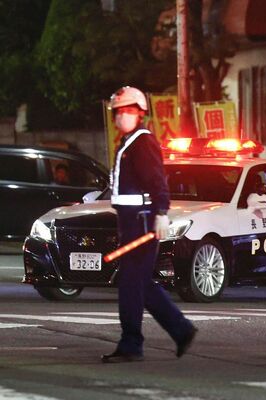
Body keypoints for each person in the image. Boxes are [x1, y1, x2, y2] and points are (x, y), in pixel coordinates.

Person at [103, 86, 197, 363]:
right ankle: (181, 330)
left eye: (128, 111)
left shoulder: (142, 142)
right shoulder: (128, 141)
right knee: (141, 284)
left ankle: (132, 344)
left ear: (140, 113)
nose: (122, 116)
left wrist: (161, 213)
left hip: (141, 223)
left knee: (131, 283)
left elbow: (157, 181)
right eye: (119, 112)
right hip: (132, 221)